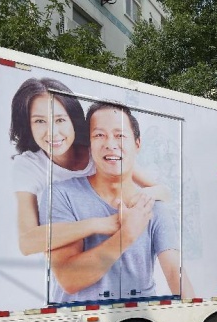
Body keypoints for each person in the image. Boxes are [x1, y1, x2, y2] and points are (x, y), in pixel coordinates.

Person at [39, 102, 194, 302]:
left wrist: (194, 315)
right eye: (99, 135)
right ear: (89, 145)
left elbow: (174, 271)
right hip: (77, 317)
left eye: (120, 135)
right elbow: (69, 278)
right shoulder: (61, 195)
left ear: (137, 144)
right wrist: (126, 235)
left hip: (139, 318)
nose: (110, 144)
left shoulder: (152, 205)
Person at [10, 77, 169, 256]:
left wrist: (140, 198)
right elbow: (27, 243)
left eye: (60, 120)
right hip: (70, 255)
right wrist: (99, 224)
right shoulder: (29, 165)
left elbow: (162, 191)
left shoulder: (97, 149)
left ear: (73, 119)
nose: (52, 132)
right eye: (40, 121)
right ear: (27, 125)